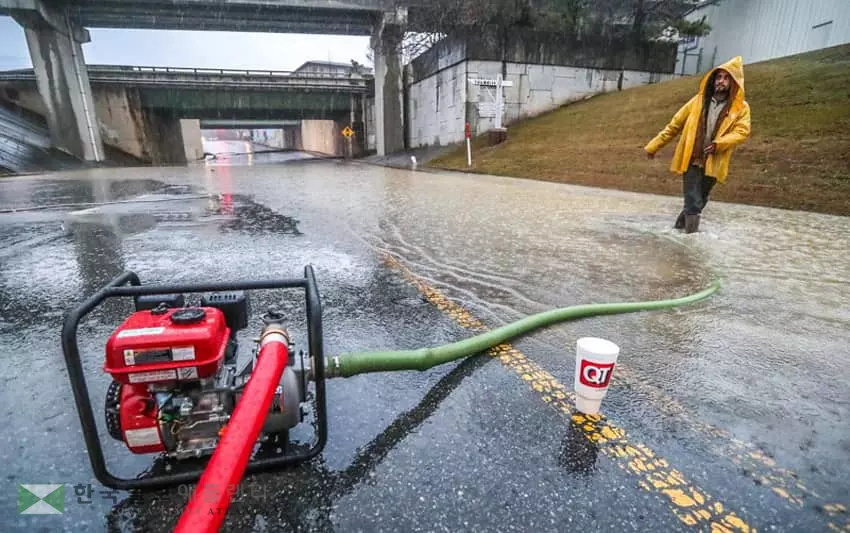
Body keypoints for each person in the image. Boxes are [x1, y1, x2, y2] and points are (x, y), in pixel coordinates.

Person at [644, 56, 751, 233]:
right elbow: (674, 125)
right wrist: (654, 146)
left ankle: (678, 230)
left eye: (726, 78)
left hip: (715, 161)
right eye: (718, 77)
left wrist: (718, 144)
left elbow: (742, 132)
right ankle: (691, 237)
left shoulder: (741, 108)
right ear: (712, 80)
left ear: (734, 82)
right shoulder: (697, 101)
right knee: (693, 201)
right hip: (692, 158)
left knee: (700, 200)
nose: (721, 81)